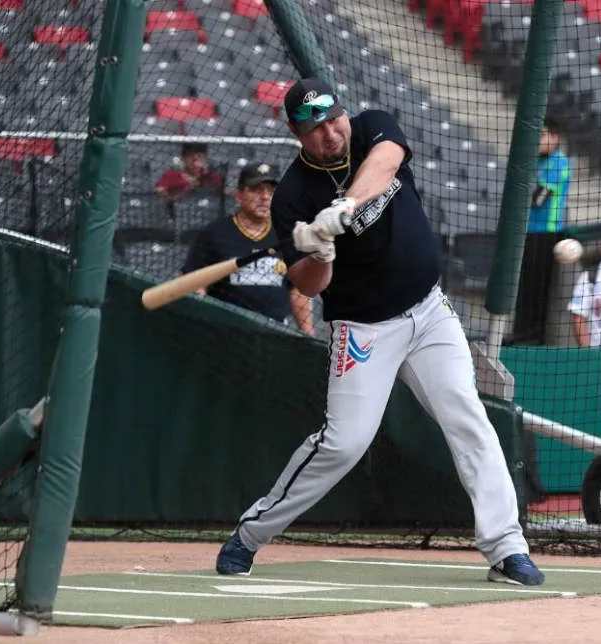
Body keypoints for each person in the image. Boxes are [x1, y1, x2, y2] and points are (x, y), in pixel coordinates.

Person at [214, 78, 545, 586]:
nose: (329, 133)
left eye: (332, 119)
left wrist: (342, 209)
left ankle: (506, 548)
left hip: (430, 312)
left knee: (468, 416)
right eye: (314, 128)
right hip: (363, 329)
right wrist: (319, 251)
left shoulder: (372, 129)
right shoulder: (293, 197)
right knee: (344, 444)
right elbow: (307, 283)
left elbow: (386, 161)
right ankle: (250, 536)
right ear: (295, 134)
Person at [181, 162, 313, 335]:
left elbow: (297, 290)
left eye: (272, 192)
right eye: (257, 190)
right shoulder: (215, 233)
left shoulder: (286, 236)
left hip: (275, 334)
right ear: (239, 195)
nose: (265, 197)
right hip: (225, 333)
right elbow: (195, 282)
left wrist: (308, 336)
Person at [510, 119, 572, 345]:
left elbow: (538, 199)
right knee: (524, 286)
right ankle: (520, 332)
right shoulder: (536, 163)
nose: (538, 141)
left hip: (547, 233)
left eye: (543, 135)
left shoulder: (559, 163)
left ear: (555, 137)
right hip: (528, 232)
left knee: (538, 288)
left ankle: (534, 337)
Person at [155, 142, 224, 202]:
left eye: (200, 158)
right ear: (183, 158)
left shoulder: (211, 175)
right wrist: (187, 189)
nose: (196, 163)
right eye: (192, 159)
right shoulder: (171, 175)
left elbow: (226, 192)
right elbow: (161, 196)